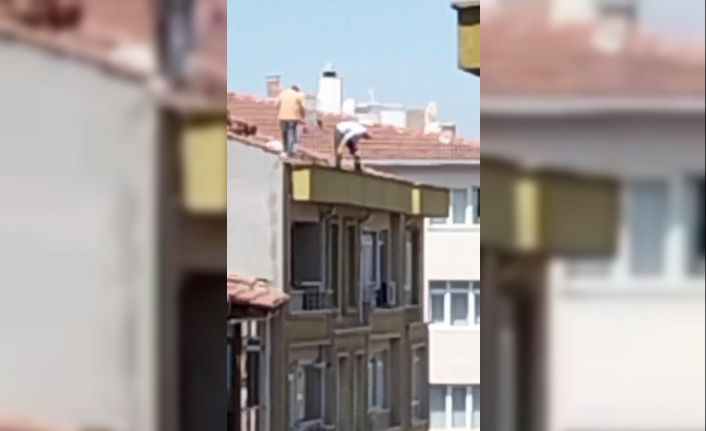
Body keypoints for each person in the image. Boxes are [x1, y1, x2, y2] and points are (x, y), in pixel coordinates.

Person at [276, 85, 306, 154]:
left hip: (282, 117)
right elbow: (302, 107)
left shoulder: (282, 93)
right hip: (293, 117)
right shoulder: (298, 95)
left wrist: (279, 113)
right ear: (297, 90)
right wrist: (302, 117)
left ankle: (285, 149)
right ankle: (289, 151)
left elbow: (277, 105)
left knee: (284, 133)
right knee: (291, 133)